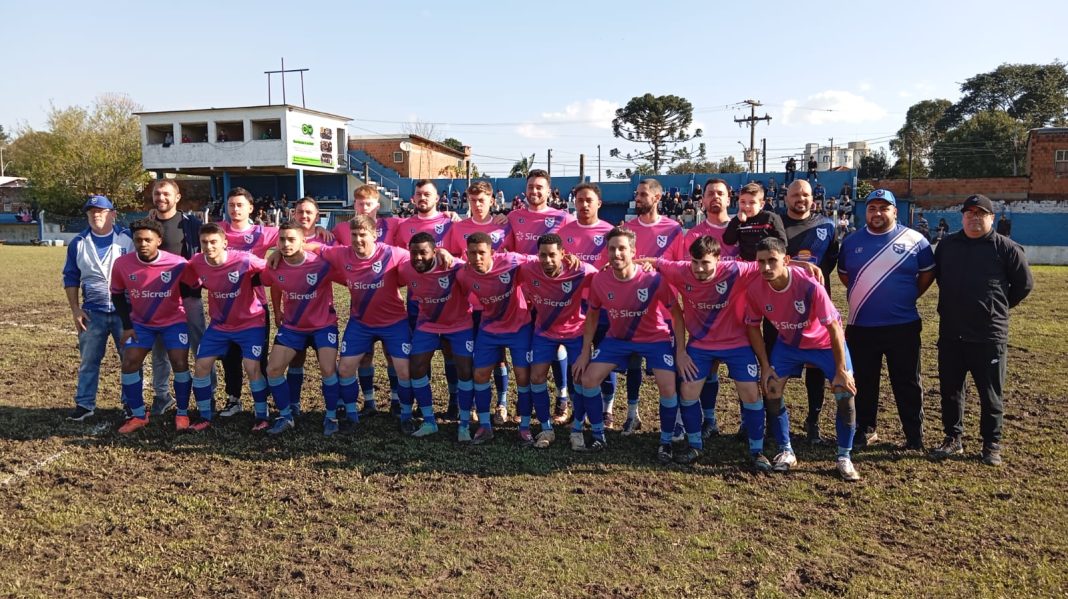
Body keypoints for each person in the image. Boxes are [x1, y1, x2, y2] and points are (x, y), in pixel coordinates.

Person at [647, 236, 771, 468]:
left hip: (736, 342)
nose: (699, 268)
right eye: (695, 262)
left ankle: (757, 451)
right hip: (701, 344)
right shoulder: (681, 270)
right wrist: (623, 264)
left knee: (751, 394)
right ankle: (695, 446)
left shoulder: (736, 270)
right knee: (688, 390)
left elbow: (771, 264)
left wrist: (805, 265)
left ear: (718, 259)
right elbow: (653, 262)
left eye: (705, 263)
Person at [744, 237, 861, 481]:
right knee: (771, 388)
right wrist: (765, 366)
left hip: (824, 344)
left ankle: (844, 456)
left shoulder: (809, 285)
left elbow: (834, 329)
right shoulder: (755, 289)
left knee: (845, 392)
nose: (766, 267)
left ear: (786, 260)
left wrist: (841, 370)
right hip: (789, 345)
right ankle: (786, 450)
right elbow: (753, 327)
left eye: (772, 260)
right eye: (761, 262)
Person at [932, 194, 1033, 466]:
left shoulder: (1007, 248)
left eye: (981, 213)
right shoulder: (947, 246)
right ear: (962, 217)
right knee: (951, 390)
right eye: (970, 213)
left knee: (990, 394)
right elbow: (940, 277)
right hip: (951, 333)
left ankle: (991, 444)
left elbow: (1024, 285)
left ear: (992, 218)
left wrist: (995, 308)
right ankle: (953, 438)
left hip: (988, 336)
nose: (974, 218)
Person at [571, 227, 684, 462]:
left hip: (655, 339)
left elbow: (676, 313)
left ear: (633, 252)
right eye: (612, 249)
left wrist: (681, 351)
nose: (616, 254)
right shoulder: (600, 280)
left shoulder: (653, 279)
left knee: (667, 386)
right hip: (617, 339)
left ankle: (665, 442)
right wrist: (585, 352)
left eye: (622, 248)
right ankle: (599, 435)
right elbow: (592, 316)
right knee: (588, 379)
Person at [837, 189, 935, 451]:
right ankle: (866, 429)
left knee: (907, 382)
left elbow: (927, 275)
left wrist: (905, 296)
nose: (877, 213)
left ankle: (913, 435)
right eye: (872, 208)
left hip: (902, 326)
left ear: (895, 211)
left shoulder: (916, 240)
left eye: (883, 208)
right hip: (861, 325)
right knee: (864, 381)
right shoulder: (851, 242)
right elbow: (845, 276)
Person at [319, 215, 415, 432]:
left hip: (394, 322)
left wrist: (443, 254)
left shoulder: (393, 253)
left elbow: (422, 258)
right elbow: (316, 248)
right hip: (361, 323)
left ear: (374, 235)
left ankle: (406, 415)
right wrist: (280, 251)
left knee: (404, 370)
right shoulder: (342, 253)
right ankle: (351, 416)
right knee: (345, 368)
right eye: (354, 235)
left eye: (363, 235)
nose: (357, 239)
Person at [180, 223, 272, 433]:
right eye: (204, 242)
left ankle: (262, 416)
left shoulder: (244, 259)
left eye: (214, 242)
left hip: (250, 323)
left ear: (225, 243)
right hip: (220, 325)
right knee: (201, 365)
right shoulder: (197, 262)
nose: (209, 246)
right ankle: (204, 416)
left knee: (252, 366)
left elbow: (269, 268)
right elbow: (187, 277)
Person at [108, 219, 192, 433]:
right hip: (141, 324)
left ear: (159, 241)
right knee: (129, 362)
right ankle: (138, 415)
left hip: (174, 322)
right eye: (138, 240)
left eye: (148, 240)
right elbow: (117, 294)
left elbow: (194, 285)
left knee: (180, 362)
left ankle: (182, 413)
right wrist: (127, 326)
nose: (143, 244)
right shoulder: (122, 264)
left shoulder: (178, 263)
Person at [455, 232, 538, 445]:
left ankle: (525, 427)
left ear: (492, 252)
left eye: (482, 253)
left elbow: (540, 261)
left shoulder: (511, 261)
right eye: (472, 253)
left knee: (523, 376)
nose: (477, 258)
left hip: (519, 327)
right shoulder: (464, 274)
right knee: (480, 374)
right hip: (489, 328)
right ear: (466, 253)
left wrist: (568, 260)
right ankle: (485, 426)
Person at [260, 222, 343, 436]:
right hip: (293, 327)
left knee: (328, 369)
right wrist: (277, 310)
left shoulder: (321, 263)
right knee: (273, 369)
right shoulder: (274, 265)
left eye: (291, 239)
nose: (286, 244)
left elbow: (349, 274)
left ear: (303, 241)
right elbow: (273, 283)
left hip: (323, 325)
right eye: (282, 240)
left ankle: (331, 416)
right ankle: (286, 416)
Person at [508, 169, 576, 424]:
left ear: (549, 191)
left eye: (539, 187)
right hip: (523, 295)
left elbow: (574, 247)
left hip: (553, 295)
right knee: (526, 349)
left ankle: (562, 397)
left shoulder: (564, 218)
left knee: (557, 345)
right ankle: (523, 401)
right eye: (531, 187)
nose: (534, 191)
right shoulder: (513, 217)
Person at [444, 181, 515, 424]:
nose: (477, 204)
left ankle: (502, 404)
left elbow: (512, 260)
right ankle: (471, 404)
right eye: (473, 200)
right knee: (470, 356)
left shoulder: (504, 226)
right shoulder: (457, 228)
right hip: (468, 304)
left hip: (499, 303)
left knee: (499, 356)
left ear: (492, 201)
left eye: (482, 200)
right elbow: (453, 261)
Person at [519, 234, 598, 449]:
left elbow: (606, 275)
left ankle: (578, 429)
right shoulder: (528, 268)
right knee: (536, 376)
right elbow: (503, 260)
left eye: (552, 255)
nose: (547, 260)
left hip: (575, 331)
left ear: (563, 254)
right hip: (544, 332)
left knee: (580, 378)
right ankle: (546, 428)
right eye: (543, 255)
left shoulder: (581, 270)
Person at [62, 195, 134, 421]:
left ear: (113, 214)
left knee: (130, 360)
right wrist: (75, 309)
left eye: (101, 211)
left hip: (125, 313)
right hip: (93, 312)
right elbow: (71, 277)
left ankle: (132, 403)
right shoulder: (78, 243)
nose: (96, 215)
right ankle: (85, 404)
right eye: (91, 211)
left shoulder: (128, 238)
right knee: (89, 361)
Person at [780, 179, 841, 444]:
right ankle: (774, 420)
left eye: (805, 194)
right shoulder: (776, 224)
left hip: (816, 307)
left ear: (812, 198)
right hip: (781, 307)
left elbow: (832, 262)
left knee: (815, 366)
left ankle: (813, 420)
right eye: (795, 195)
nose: (800, 199)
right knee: (777, 364)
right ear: (786, 198)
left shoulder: (826, 226)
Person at [397, 232, 473, 440]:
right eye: (414, 253)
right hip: (428, 323)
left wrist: (445, 252)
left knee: (465, 370)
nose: (418, 257)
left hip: (459, 323)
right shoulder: (405, 269)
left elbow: (474, 271)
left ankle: (464, 424)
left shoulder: (453, 266)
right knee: (416, 367)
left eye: (423, 252)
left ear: (434, 251)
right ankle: (429, 421)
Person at [148, 179, 206, 417]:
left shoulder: (192, 224)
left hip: (189, 297)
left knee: (199, 348)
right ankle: (162, 396)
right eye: (157, 193)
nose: (161, 198)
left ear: (177, 197)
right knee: (159, 351)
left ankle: (207, 394)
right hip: (157, 298)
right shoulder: (148, 225)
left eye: (166, 194)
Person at [722, 182, 787, 261]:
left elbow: (782, 242)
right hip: (745, 264)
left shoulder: (770, 217)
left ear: (761, 205)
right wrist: (737, 221)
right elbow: (728, 241)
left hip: (766, 262)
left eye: (752, 202)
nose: (747, 206)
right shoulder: (737, 220)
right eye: (743, 202)